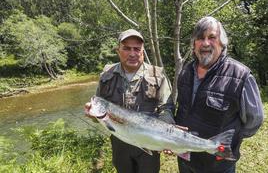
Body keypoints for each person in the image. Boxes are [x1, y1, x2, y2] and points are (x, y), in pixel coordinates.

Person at [175, 16, 264, 173]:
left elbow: (254, 121)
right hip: (185, 160)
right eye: (200, 38)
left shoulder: (240, 75)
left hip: (218, 164)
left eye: (212, 37)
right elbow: (181, 109)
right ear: (194, 44)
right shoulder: (185, 72)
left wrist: (232, 138)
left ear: (222, 43)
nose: (205, 43)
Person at [84, 29, 174, 173]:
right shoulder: (107, 75)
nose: (132, 53)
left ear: (142, 52)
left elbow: (167, 108)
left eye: (137, 49)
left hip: (149, 141)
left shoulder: (158, 76)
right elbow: (100, 111)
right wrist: (92, 115)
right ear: (118, 51)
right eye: (126, 48)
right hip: (120, 142)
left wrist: (167, 131)